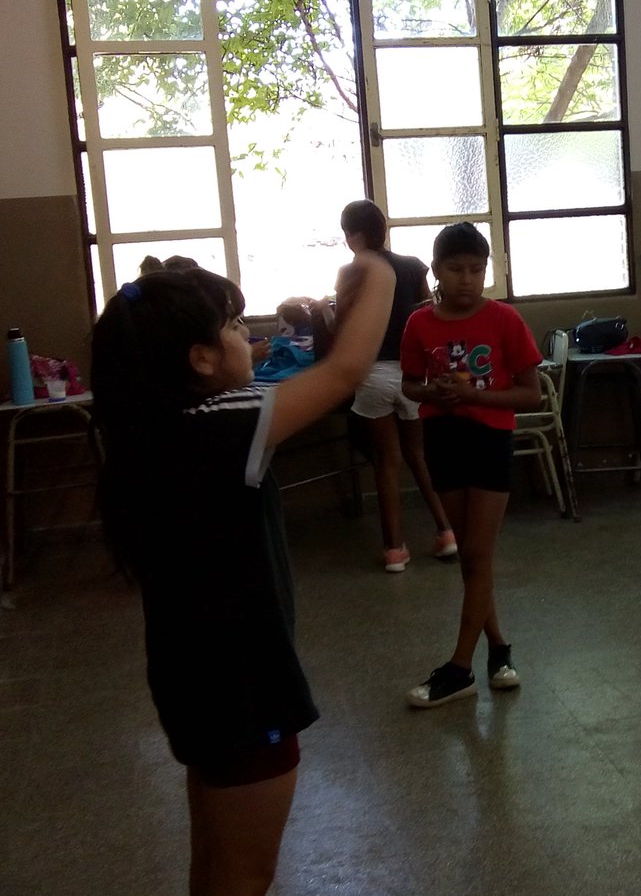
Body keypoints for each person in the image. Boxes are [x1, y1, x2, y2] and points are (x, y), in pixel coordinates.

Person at [90, 257, 393, 895]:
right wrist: (382, 269)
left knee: (216, 868)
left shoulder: (152, 432)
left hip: (193, 679)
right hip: (243, 686)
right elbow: (344, 372)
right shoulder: (219, 426)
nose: (247, 337)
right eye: (232, 326)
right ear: (199, 359)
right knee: (243, 877)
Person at [399, 222, 542, 708]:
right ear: (436, 271)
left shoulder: (504, 320)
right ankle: (500, 651)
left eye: (475, 269)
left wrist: (475, 394)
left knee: (479, 554)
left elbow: (530, 392)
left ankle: (459, 669)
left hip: (489, 438)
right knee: (471, 559)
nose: (466, 278)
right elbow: (409, 386)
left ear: (487, 271)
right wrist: (435, 392)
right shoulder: (420, 324)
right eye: (455, 269)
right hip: (443, 437)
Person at [338, 199, 456, 571]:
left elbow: (342, 324)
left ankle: (395, 550)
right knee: (418, 456)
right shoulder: (412, 266)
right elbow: (427, 316)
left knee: (386, 463)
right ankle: (446, 533)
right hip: (413, 375)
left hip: (374, 375)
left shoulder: (351, 270)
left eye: (346, 234)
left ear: (355, 235)